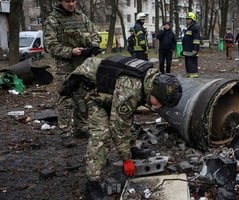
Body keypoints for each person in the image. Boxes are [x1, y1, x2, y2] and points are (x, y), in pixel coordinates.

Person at [59, 55, 182, 199]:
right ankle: (92, 184)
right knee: (101, 135)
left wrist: (127, 150)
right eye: (160, 102)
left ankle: (130, 149)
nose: (159, 106)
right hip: (91, 91)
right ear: (155, 91)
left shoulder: (150, 78)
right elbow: (118, 126)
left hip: (110, 90)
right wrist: (126, 160)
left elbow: (125, 117)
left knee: (126, 118)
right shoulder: (131, 89)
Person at [43, 0, 101, 137]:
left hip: (82, 64)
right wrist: (70, 51)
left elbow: (95, 34)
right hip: (65, 67)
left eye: (73, 1)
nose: (71, 4)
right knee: (66, 98)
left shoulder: (81, 16)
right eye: (67, 1)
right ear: (60, 2)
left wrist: (93, 45)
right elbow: (50, 45)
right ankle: (65, 132)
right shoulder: (53, 20)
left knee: (83, 96)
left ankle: (81, 127)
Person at [182, 12, 201, 78]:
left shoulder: (195, 27)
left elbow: (196, 39)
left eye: (189, 19)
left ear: (192, 19)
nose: (187, 20)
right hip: (187, 50)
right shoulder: (189, 27)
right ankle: (189, 76)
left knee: (192, 64)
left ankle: (193, 77)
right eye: (187, 19)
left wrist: (195, 49)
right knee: (188, 65)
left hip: (192, 50)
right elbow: (186, 39)